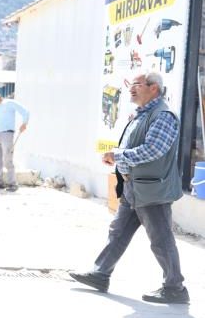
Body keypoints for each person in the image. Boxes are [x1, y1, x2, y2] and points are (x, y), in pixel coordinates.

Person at [69, 72, 188, 304]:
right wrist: (118, 159)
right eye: (131, 85)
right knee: (118, 232)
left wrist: (118, 154)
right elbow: (136, 146)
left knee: (161, 240)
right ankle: (100, 274)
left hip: (153, 191)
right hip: (134, 187)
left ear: (154, 88)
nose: (131, 89)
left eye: (137, 85)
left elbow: (153, 149)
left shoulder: (163, 115)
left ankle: (175, 288)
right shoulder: (141, 114)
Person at [0, 89, 28, 191]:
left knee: (7, 160)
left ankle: (12, 184)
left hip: (7, 134)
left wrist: (24, 123)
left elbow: (25, 112)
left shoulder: (9, 103)